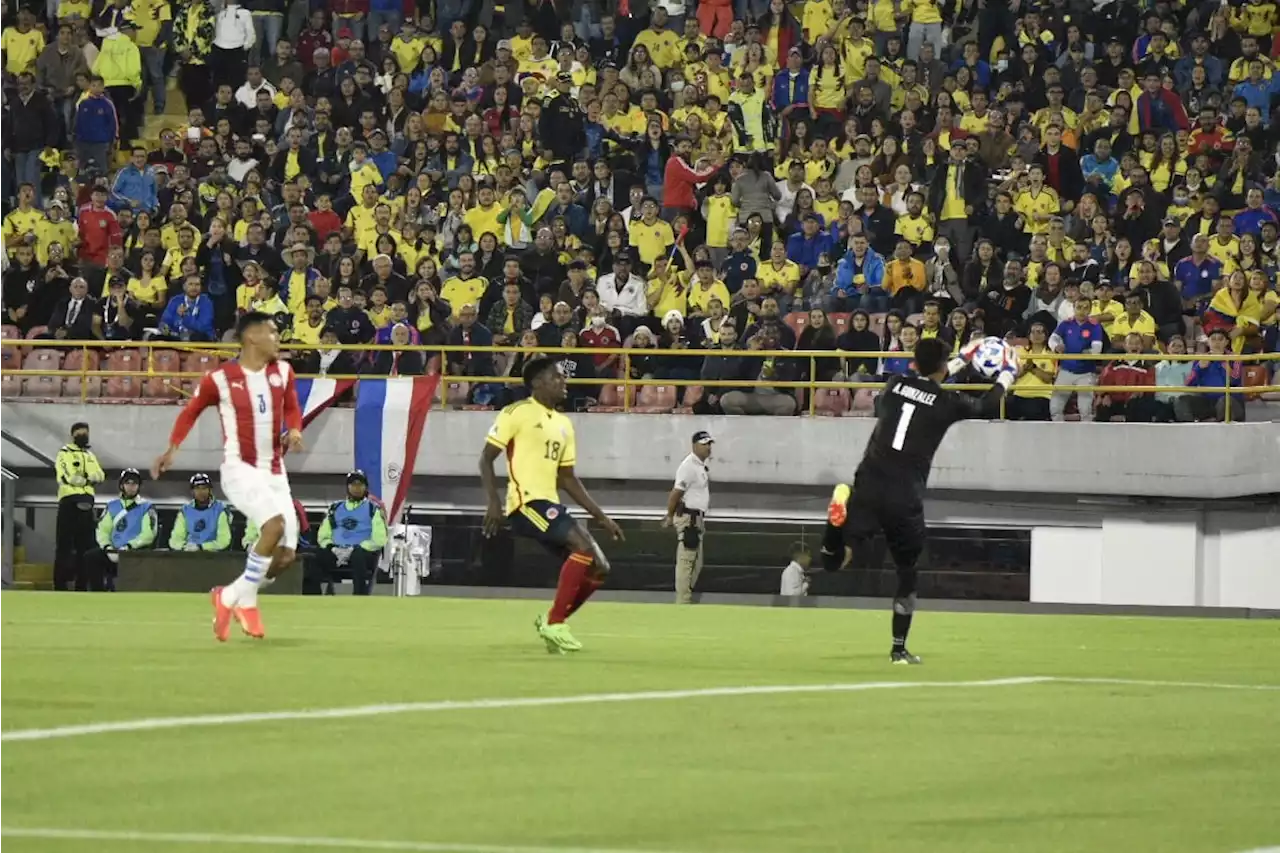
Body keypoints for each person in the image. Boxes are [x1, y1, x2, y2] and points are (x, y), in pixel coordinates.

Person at [820, 337, 1016, 664]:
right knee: (907, 571)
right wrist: (1006, 374)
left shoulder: (895, 384)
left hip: (869, 480)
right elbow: (985, 405)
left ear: (914, 361)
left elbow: (917, 387)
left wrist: (959, 360)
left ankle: (832, 530)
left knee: (836, 560)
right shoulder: (948, 402)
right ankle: (898, 649)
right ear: (943, 366)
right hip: (904, 494)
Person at [151, 311, 305, 642]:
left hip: (276, 472)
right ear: (252, 337)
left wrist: (293, 429)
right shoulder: (219, 378)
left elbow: (292, 407)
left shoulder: (284, 371)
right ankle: (243, 600)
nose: (278, 337)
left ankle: (232, 596)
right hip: (240, 469)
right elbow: (190, 412)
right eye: (273, 332)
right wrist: (171, 449)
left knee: (286, 556)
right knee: (273, 526)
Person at [479, 358, 625, 654]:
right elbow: (486, 458)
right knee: (583, 549)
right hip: (526, 502)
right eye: (556, 377)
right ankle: (557, 623)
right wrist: (494, 502)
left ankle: (551, 620)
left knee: (599, 568)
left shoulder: (564, 424)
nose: (564, 382)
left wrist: (602, 517)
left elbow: (568, 478)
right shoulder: (516, 412)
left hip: (549, 503)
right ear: (537, 383)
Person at [315, 470, 389, 595]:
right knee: (313, 557)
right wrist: (332, 548)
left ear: (365, 487)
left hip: (363, 552)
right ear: (347, 487)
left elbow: (379, 539)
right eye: (353, 485)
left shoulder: (373, 509)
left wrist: (353, 549)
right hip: (336, 551)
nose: (356, 488)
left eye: (360, 485)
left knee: (357, 556)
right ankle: (313, 596)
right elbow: (323, 536)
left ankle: (359, 596)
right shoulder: (335, 508)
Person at [662, 430, 713, 605]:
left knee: (697, 562)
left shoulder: (699, 466)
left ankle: (686, 594)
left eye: (709, 444)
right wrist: (669, 515)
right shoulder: (689, 466)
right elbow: (676, 492)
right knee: (687, 560)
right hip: (688, 518)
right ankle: (682, 599)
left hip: (697, 519)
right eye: (704, 444)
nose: (708, 448)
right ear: (694, 445)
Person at [53, 422, 105, 591]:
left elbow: (100, 475)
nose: (83, 435)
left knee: (85, 547)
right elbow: (68, 477)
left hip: (87, 503)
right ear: (72, 435)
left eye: (86, 433)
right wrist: (88, 478)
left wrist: (86, 478)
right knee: (64, 546)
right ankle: (60, 585)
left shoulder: (90, 455)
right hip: (69, 502)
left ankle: (81, 586)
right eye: (80, 433)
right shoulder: (64, 453)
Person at [92, 468, 158, 591]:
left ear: (139, 486)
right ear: (122, 485)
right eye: (128, 483)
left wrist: (129, 547)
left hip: (134, 552)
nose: (131, 486)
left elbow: (148, 534)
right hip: (112, 550)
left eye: (134, 483)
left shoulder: (146, 507)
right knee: (91, 557)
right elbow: (102, 530)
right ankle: (98, 593)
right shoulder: (112, 506)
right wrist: (107, 546)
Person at [168, 473, 233, 551]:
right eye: (197, 488)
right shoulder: (185, 511)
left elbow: (223, 541)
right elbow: (175, 540)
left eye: (204, 488)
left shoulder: (220, 510)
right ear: (192, 491)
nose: (201, 492)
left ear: (210, 490)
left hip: (214, 557)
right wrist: (185, 547)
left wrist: (201, 547)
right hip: (188, 555)